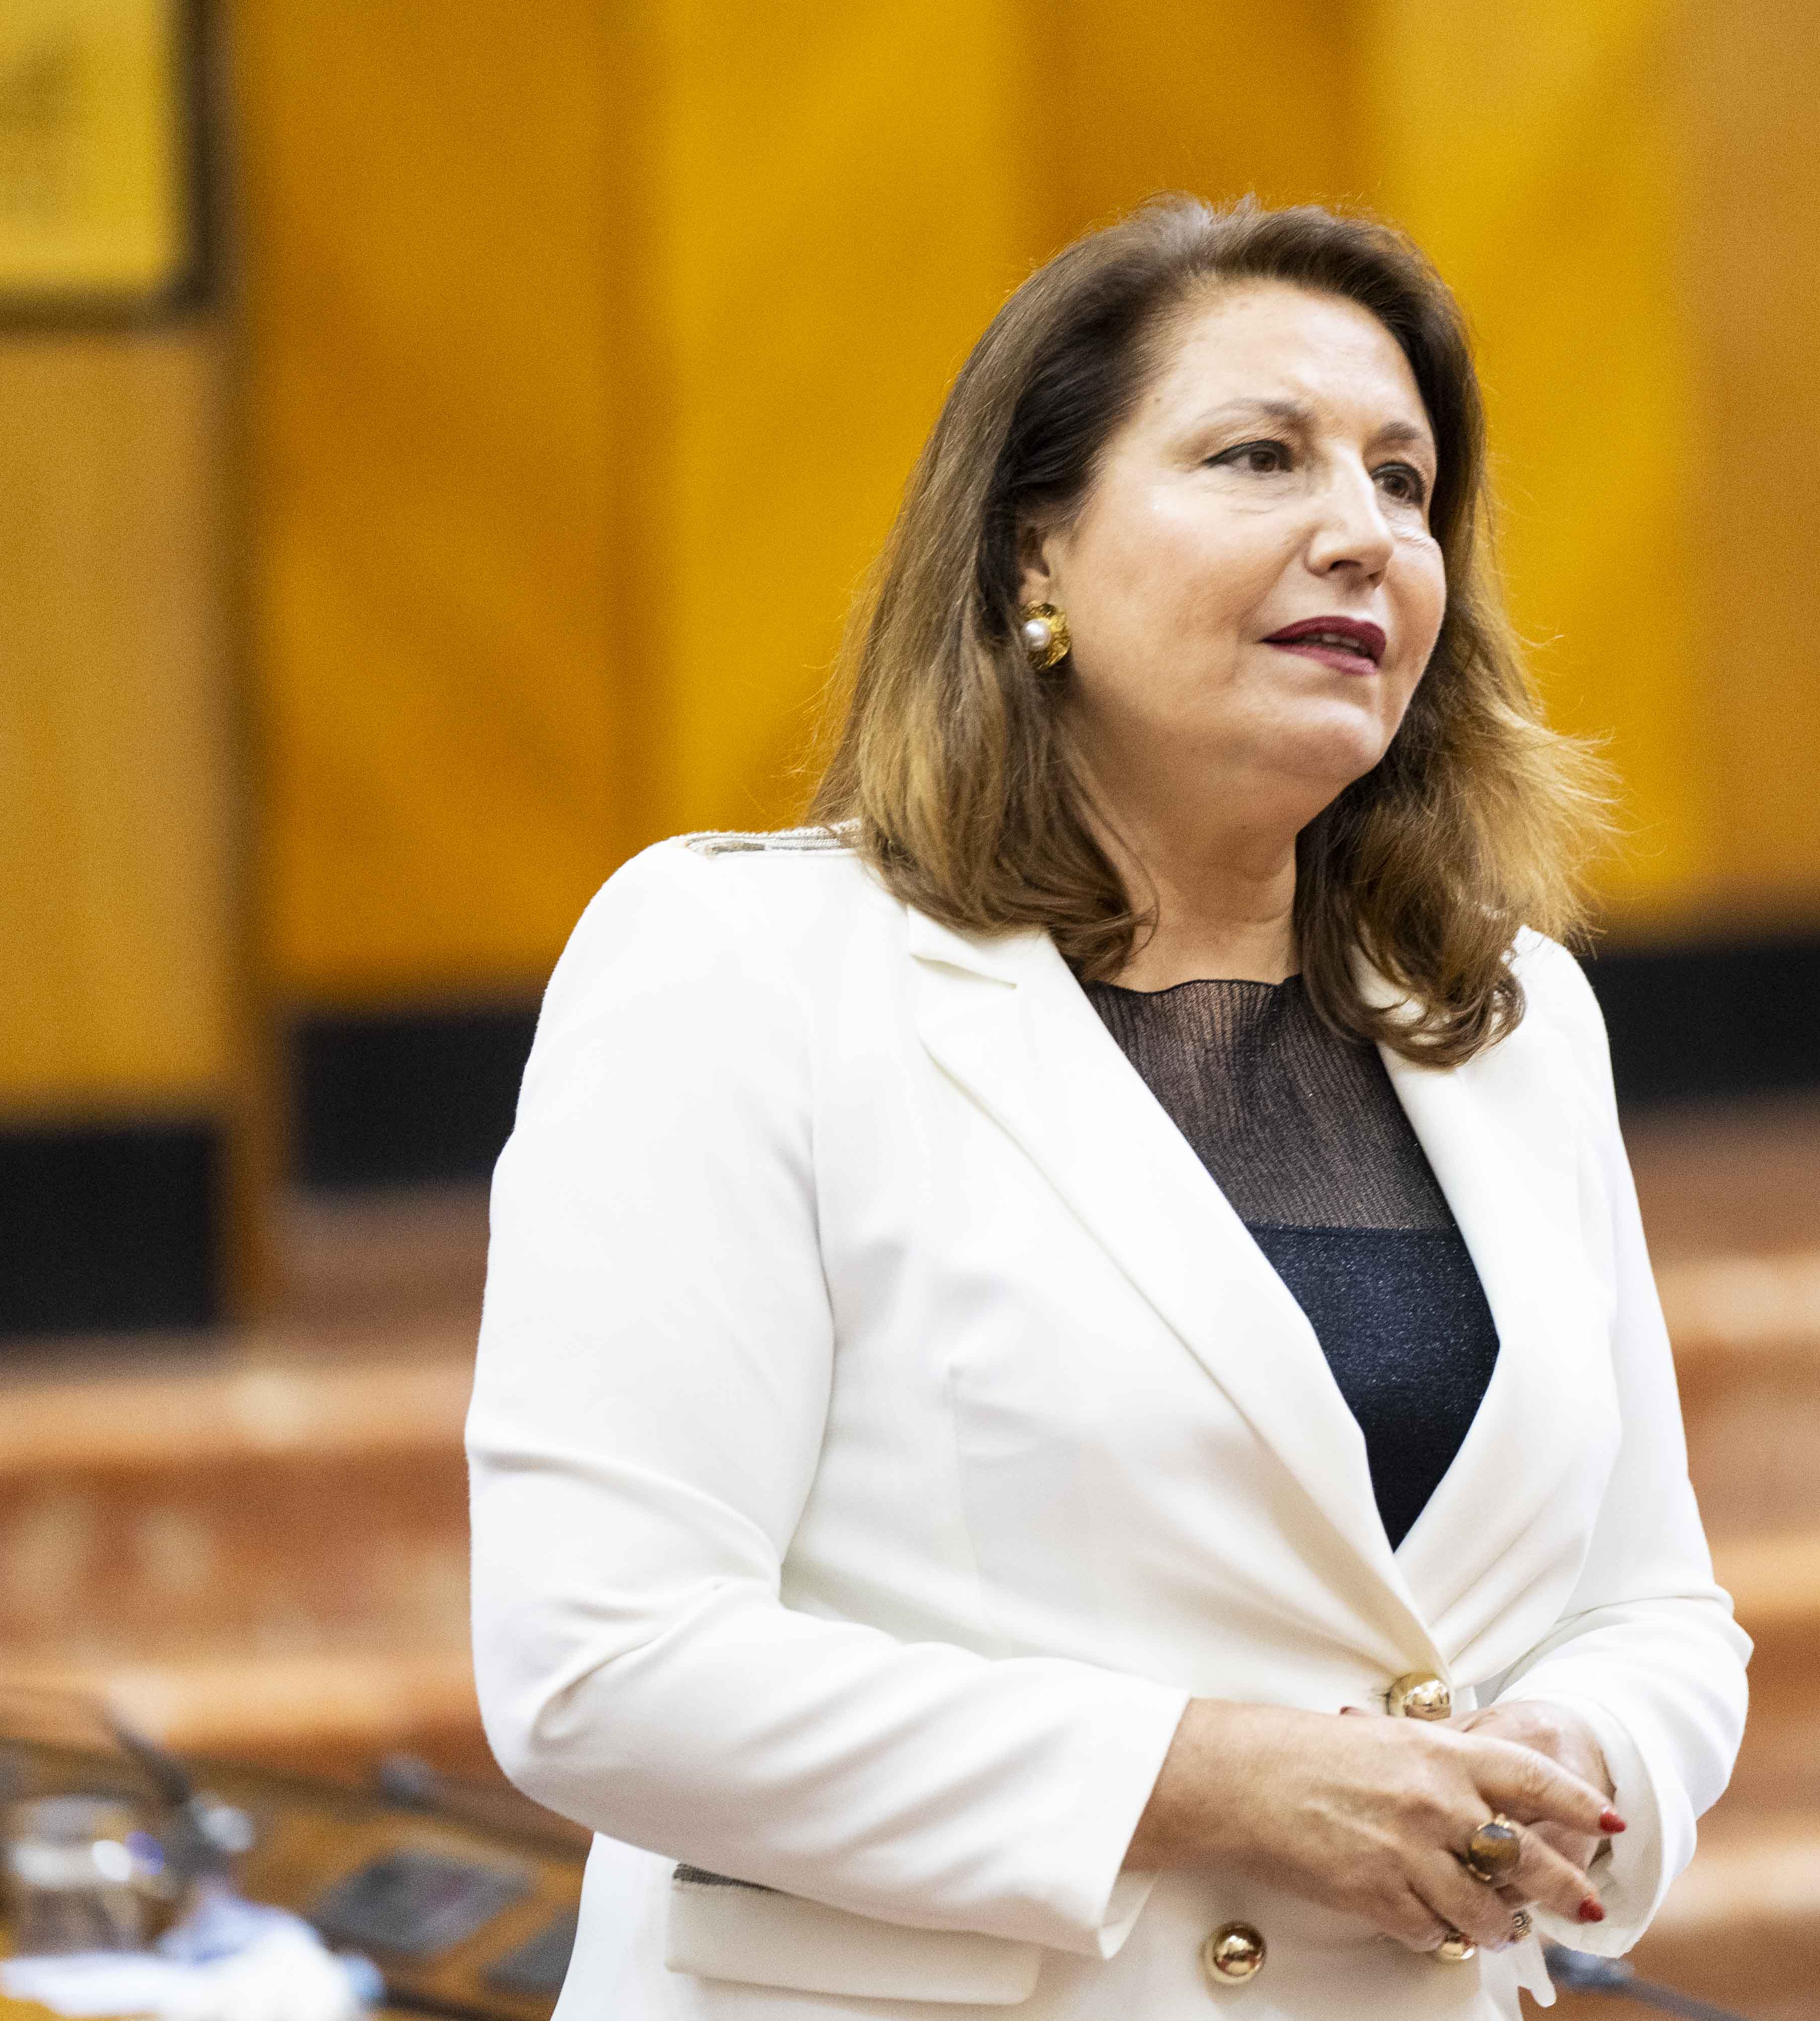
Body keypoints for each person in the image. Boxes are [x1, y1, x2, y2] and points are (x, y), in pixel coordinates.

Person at [468, 195, 1750, 2020]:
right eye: (1259, 458)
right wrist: (1212, 1779)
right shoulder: (744, 966)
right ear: (1030, 561)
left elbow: (1659, 1609)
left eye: (1405, 482)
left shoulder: (1514, 1014)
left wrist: (1571, 1763)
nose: (1361, 534)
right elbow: (600, 1665)